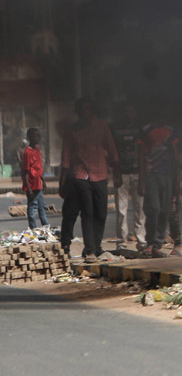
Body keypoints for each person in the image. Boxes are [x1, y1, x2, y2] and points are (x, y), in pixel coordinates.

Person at [60, 98, 121, 263]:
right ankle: (90, 250)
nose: (85, 112)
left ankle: (96, 245)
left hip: (100, 174)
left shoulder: (102, 127)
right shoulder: (71, 130)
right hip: (80, 175)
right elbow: (65, 157)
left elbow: (112, 150)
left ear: (92, 111)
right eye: (81, 110)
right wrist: (62, 182)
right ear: (78, 112)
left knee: (101, 213)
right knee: (87, 212)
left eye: (87, 109)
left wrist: (117, 173)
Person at [137, 108, 182, 258]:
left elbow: (175, 152)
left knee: (165, 210)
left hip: (167, 175)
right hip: (151, 174)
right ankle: (151, 242)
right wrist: (141, 178)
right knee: (154, 209)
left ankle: (157, 244)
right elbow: (141, 154)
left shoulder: (169, 130)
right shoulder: (146, 130)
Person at [110, 102, 145, 250]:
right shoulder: (115, 130)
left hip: (137, 172)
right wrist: (115, 173)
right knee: (121, 209)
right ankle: (121, 241)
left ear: (134, 114)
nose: (128, 115)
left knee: (140, 209)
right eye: (126, 112)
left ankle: (141, 240)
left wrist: (143, 176)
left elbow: (142, 153)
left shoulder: (139, 130)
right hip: (122, 173)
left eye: (131, 112)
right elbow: (113, 152)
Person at [20, 127, 49, 230]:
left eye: (39, 136)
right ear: (30, 138)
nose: (38, 138)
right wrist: (29, 188)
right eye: (36, 136)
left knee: (42, 207)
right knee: (32, 207)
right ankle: (33, 228)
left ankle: (46, 227)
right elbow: (25, 172)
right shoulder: (28, 152)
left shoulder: (38, 149)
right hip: (32, 184)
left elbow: (38, 168)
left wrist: (43, 181)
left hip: (38, 183)